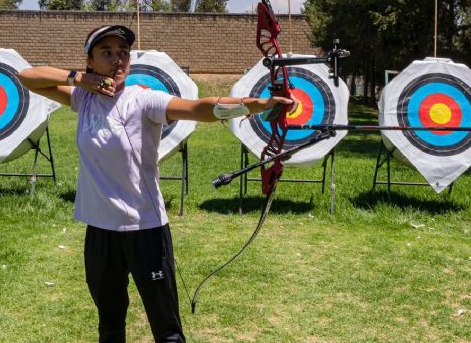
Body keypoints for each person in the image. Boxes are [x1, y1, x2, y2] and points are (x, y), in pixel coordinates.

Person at [18, 25, 293, 343]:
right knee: (109, 324)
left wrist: (257, 104)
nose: (117, 60)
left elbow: (198, 109)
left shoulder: (143, 100)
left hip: (144, 230)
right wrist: (78, 79)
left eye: (123, 53)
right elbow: (27, 77)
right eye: (106, 52)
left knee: (167, 330)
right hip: (99, 229)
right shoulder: (83, 98)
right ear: (90, 61)